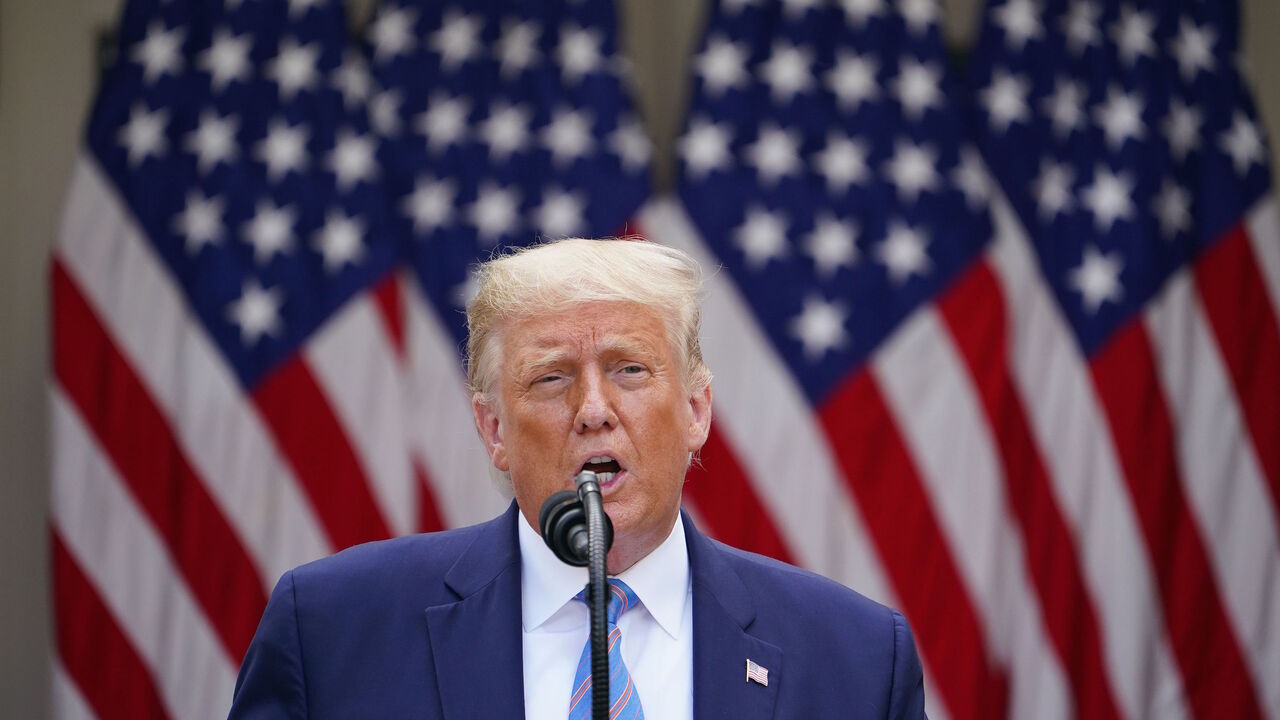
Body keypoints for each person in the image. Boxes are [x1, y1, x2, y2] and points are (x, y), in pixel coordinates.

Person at [229, 237, 926, 719]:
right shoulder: (333, 633)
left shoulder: (854, 661)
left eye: (629, 369)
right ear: (494, 429)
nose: (594, 410)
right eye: (552, 377)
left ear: (694, 410)